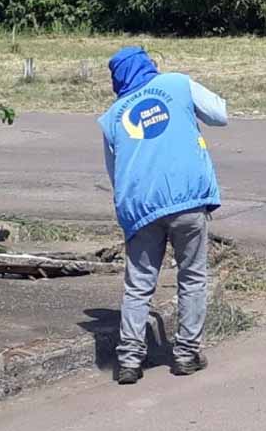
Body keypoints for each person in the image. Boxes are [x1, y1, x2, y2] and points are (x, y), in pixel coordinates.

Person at [98, 47, 228, 384]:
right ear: (149, 65)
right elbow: (219, 114)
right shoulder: (177, 84)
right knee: (192, 276)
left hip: (139, 207)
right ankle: (186, 354)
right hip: (185, 199)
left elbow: (115, 173)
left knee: (139, 284)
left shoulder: (112, 116)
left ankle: (128, 361)